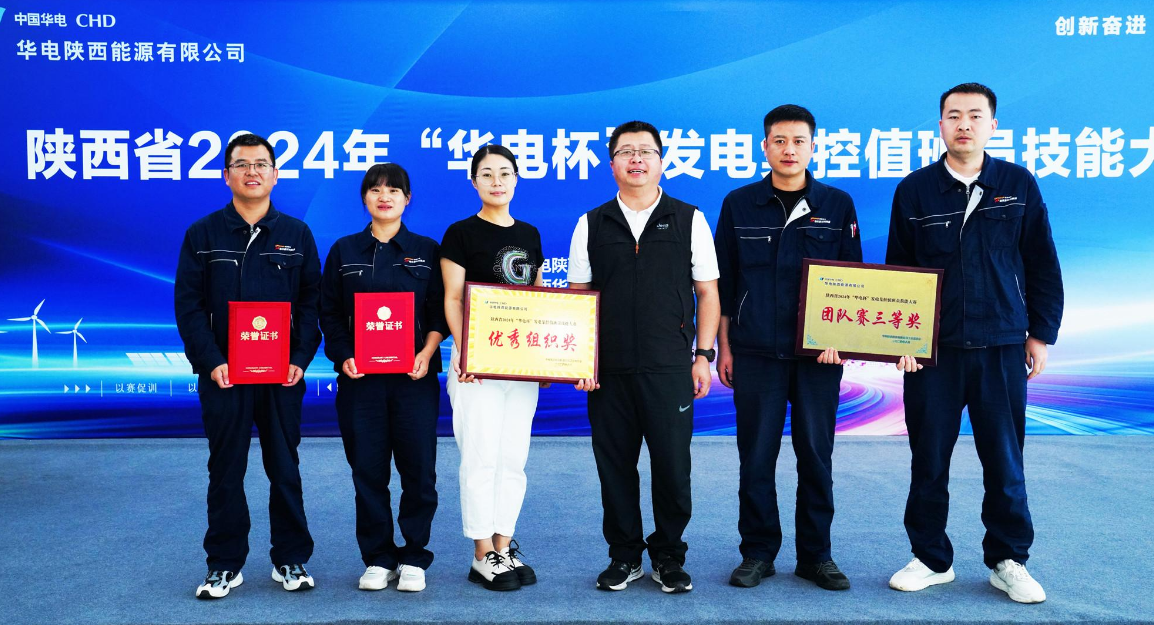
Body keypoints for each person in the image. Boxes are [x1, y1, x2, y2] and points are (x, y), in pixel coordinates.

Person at [886, 83, 1064, 604]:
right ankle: (930, 558)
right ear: (940, 124)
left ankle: (1008, 559)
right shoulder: (915, 190)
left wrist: (1040, 333)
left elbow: (1042, 263)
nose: (964, 124)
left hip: (1001, 344)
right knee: (928, 460)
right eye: (953, 115)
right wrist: (901, 340)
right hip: (932, 353)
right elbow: (899, 273)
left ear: (992, 125)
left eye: (975, 115)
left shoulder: (1017, 183)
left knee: (1005, 461)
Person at [568, 120, 720, 594]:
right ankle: (625, 556)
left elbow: (707, 293)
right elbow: (577, 298)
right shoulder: (591, 223)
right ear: (612, 163)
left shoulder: (689, 218)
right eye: (626, 151)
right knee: (614, 467)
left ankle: (669, 556)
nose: (636, 159)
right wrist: (582, 360)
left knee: (673, 468)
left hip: (669, 367)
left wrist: (703, 355)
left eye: (646, 151)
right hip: (608, 371)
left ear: (661, 161)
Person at [713, 105, 861, 591]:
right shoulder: (739, 204)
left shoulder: (837, 204)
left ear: (813, 147)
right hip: (755, 351)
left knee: (816, 456)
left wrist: (842, 341)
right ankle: (758, 552)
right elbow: (724, 284)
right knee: (756, 457)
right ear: (765, 147)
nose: (789, 149)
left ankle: (816, 556)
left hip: (819, 357)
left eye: (799, 141)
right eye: (779, 141)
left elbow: (854, 282)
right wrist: (724, 347)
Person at [175, 133, 322, 599]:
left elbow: (312, 303)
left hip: (282, 376)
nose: (252, 172)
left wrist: (300, 359)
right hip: (224, 376)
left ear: (275, 175)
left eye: (261, 164)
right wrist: (211, 361)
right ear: (226, 175)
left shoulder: (296, 234)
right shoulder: (203, 234)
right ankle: (224, 563)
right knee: (225, 470)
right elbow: (189, 306)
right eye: (242, 164)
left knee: (285, 467)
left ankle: (290, 558)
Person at [319, 163, 447, 593]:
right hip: (361, 382)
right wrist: (344, 356)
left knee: (419, 471)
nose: (384, 196)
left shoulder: (427, 250)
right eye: (375, 189)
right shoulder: (344, 250)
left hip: (415, 379)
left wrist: (427, 352)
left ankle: (414, 556)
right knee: (368, 471)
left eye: (394, 190)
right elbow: (329, 313)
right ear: (365, 198)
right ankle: (378, 556)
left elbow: (439, 312)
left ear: (407, 199)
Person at [440, 144, 545, 592]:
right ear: (474, 182)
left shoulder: (531, 233)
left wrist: (545, 359)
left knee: (513, 458)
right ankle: (482, 553)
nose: (496, 181)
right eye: (486, 174)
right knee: (481, 457)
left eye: (505, 173)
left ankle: (504, 545)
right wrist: (467, 352)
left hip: (519, 365)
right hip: (476, 366)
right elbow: (452, 298)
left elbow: (539, 300)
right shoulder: (461, 233)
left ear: (516, 179)